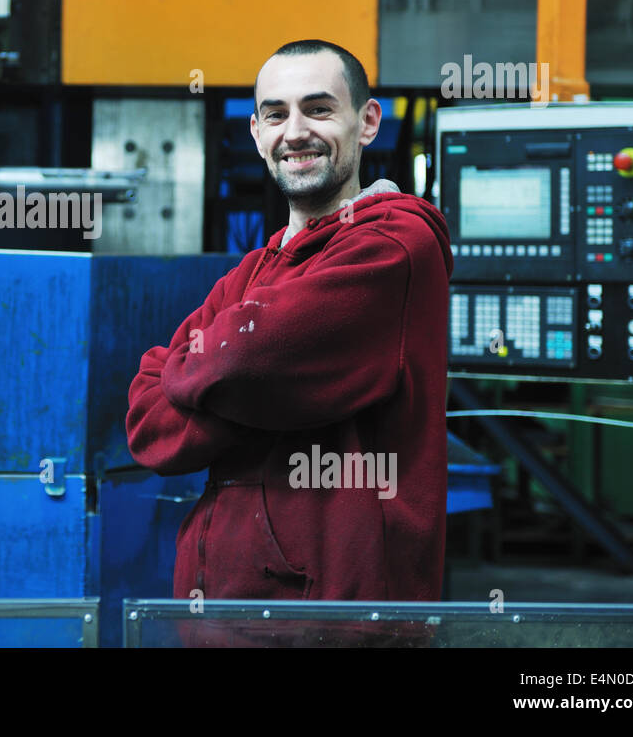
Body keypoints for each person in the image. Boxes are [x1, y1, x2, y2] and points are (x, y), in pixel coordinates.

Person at [126, 39, 452, 646]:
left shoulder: (395, 245)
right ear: (256, 132)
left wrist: (209, 373)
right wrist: (230, 381)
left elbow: (246, 360)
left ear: (368, 123)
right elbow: (148, 422)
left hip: (331, 626)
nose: (295, 131)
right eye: (276, 115)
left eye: (320, 110)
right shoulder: (253, 271)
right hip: (221, 615)